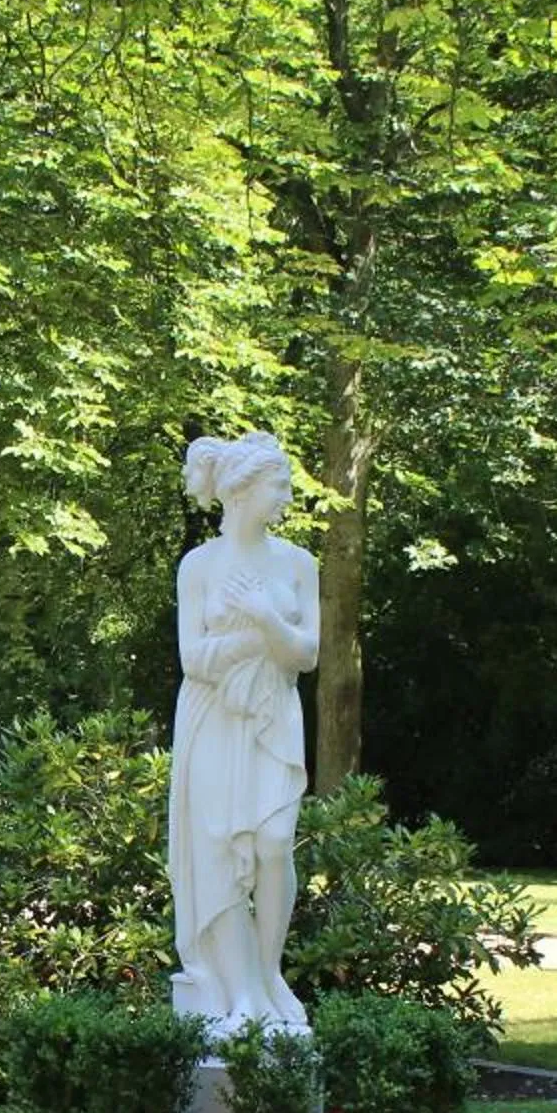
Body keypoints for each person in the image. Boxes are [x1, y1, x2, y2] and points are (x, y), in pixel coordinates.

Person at [168, 431, 317, 1039]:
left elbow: (306, 654)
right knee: (220, 858)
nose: (286, 495)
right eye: (279, 485)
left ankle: (268, 973)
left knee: (275, 841)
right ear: (245, 490)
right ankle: (242, 997)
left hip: (272, 717)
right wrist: (253, 637)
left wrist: (264, 616)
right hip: (212, 718)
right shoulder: (199, 566)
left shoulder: (298, 563)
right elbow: (191, 657)